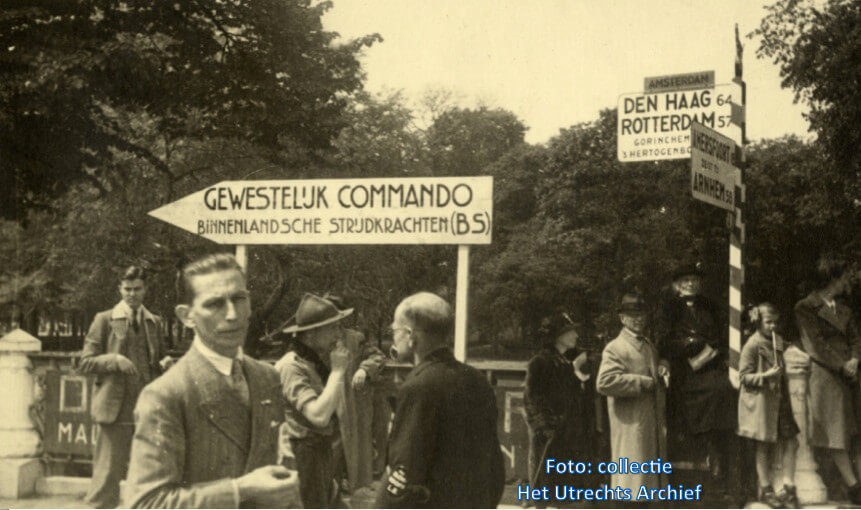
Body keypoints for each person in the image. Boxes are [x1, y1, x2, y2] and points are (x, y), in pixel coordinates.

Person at [124, 253, 298, 508]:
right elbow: (146, 503)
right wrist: (240, 490)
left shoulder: (267, 377)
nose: (232, 314)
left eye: (240, 299)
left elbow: (283, 477)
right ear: (186, 316)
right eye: (215, 304)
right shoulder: (166, 394)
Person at [376, 291, 505, 508]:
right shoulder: (477, 380)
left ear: (410, 335)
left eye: (394, 330)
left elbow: (405, 473)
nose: (393, 337)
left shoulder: (418, 386)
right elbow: (494, 464)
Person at [78, 265, 171, 508]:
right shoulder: (106, 319)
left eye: (137, 289)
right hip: (115, 410)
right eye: (127, 289)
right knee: (107, 476)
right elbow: (85, 362)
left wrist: (166, 363)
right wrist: (115, 360)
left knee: (148, 475)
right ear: (119, 288)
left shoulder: (154, 322)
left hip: (147, 410)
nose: (132, 294)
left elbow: (159, 359)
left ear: (145, 289)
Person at [657, 263, 741, 502]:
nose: (690, 284)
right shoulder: (669, 308)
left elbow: (723, 335)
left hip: (710, 364)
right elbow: (663, 340)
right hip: (684, 369)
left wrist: (712, 350)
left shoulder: (710, 306)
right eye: (685, 281)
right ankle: (685, 481)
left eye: (694, 280)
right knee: (685, 419)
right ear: (677, 285)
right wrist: (686, 345)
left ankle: (717, 466)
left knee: (722, 391)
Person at [275, 292, 352, 508]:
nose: (338, 334)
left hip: (320, 454)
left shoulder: (313, 363)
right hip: (302, 457)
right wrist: (337, 372)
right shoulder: (292, 366)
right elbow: (318, 416)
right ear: (309, 336)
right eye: (332, 328)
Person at [794, 257, 861, 504]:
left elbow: (856, 337)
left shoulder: (844, 308)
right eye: (843, 277)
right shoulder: (805, 307)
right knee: (837, 432)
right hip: (827, 374)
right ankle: (854, 487)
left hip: (851, 373)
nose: (846, 282)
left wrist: (855, 359)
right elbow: (815, 345)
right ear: (832, 279)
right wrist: (842, 364)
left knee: (856, 431)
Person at [597, 292, 668, 501]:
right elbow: (604, 382)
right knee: (631, 485)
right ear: (622, 318)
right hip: (630, 424)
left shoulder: (647, 345)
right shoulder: (615, 348)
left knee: (644, 484)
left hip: (647, 421)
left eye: (641, 315)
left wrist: (664, 365)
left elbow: (656, 366)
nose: (638, 319)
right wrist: (640, 382)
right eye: (632, 315)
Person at [524, 312, 597, 495]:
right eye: (570, 331)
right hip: (550, 437)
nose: (576, 335)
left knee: (561, 491)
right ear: (557, 336)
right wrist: (546, 427)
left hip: (566, 436)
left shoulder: (564, 363)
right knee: (544, 487)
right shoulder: (540, 362)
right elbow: (532, 399)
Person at [322, 293, 387, 493]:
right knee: (327, 455)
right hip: (324, 402)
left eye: (337, 316)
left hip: (350, 404)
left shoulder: (354, 338)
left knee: (352, 450)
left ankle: (354, 489)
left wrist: (364, 369)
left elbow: (378, 356)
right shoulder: (315, 339)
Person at [737, 303, 800, 508]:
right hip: (761, 403)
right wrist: (766, 376)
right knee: (763, 444)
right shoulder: (752, 344)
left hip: (780, 400)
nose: (772, 326)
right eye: (768, 322)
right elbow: (744, 377)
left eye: (775, 322)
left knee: (791, 441)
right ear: (758, 322)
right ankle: (766, 489)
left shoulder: (778, 340)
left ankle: (789, 488)